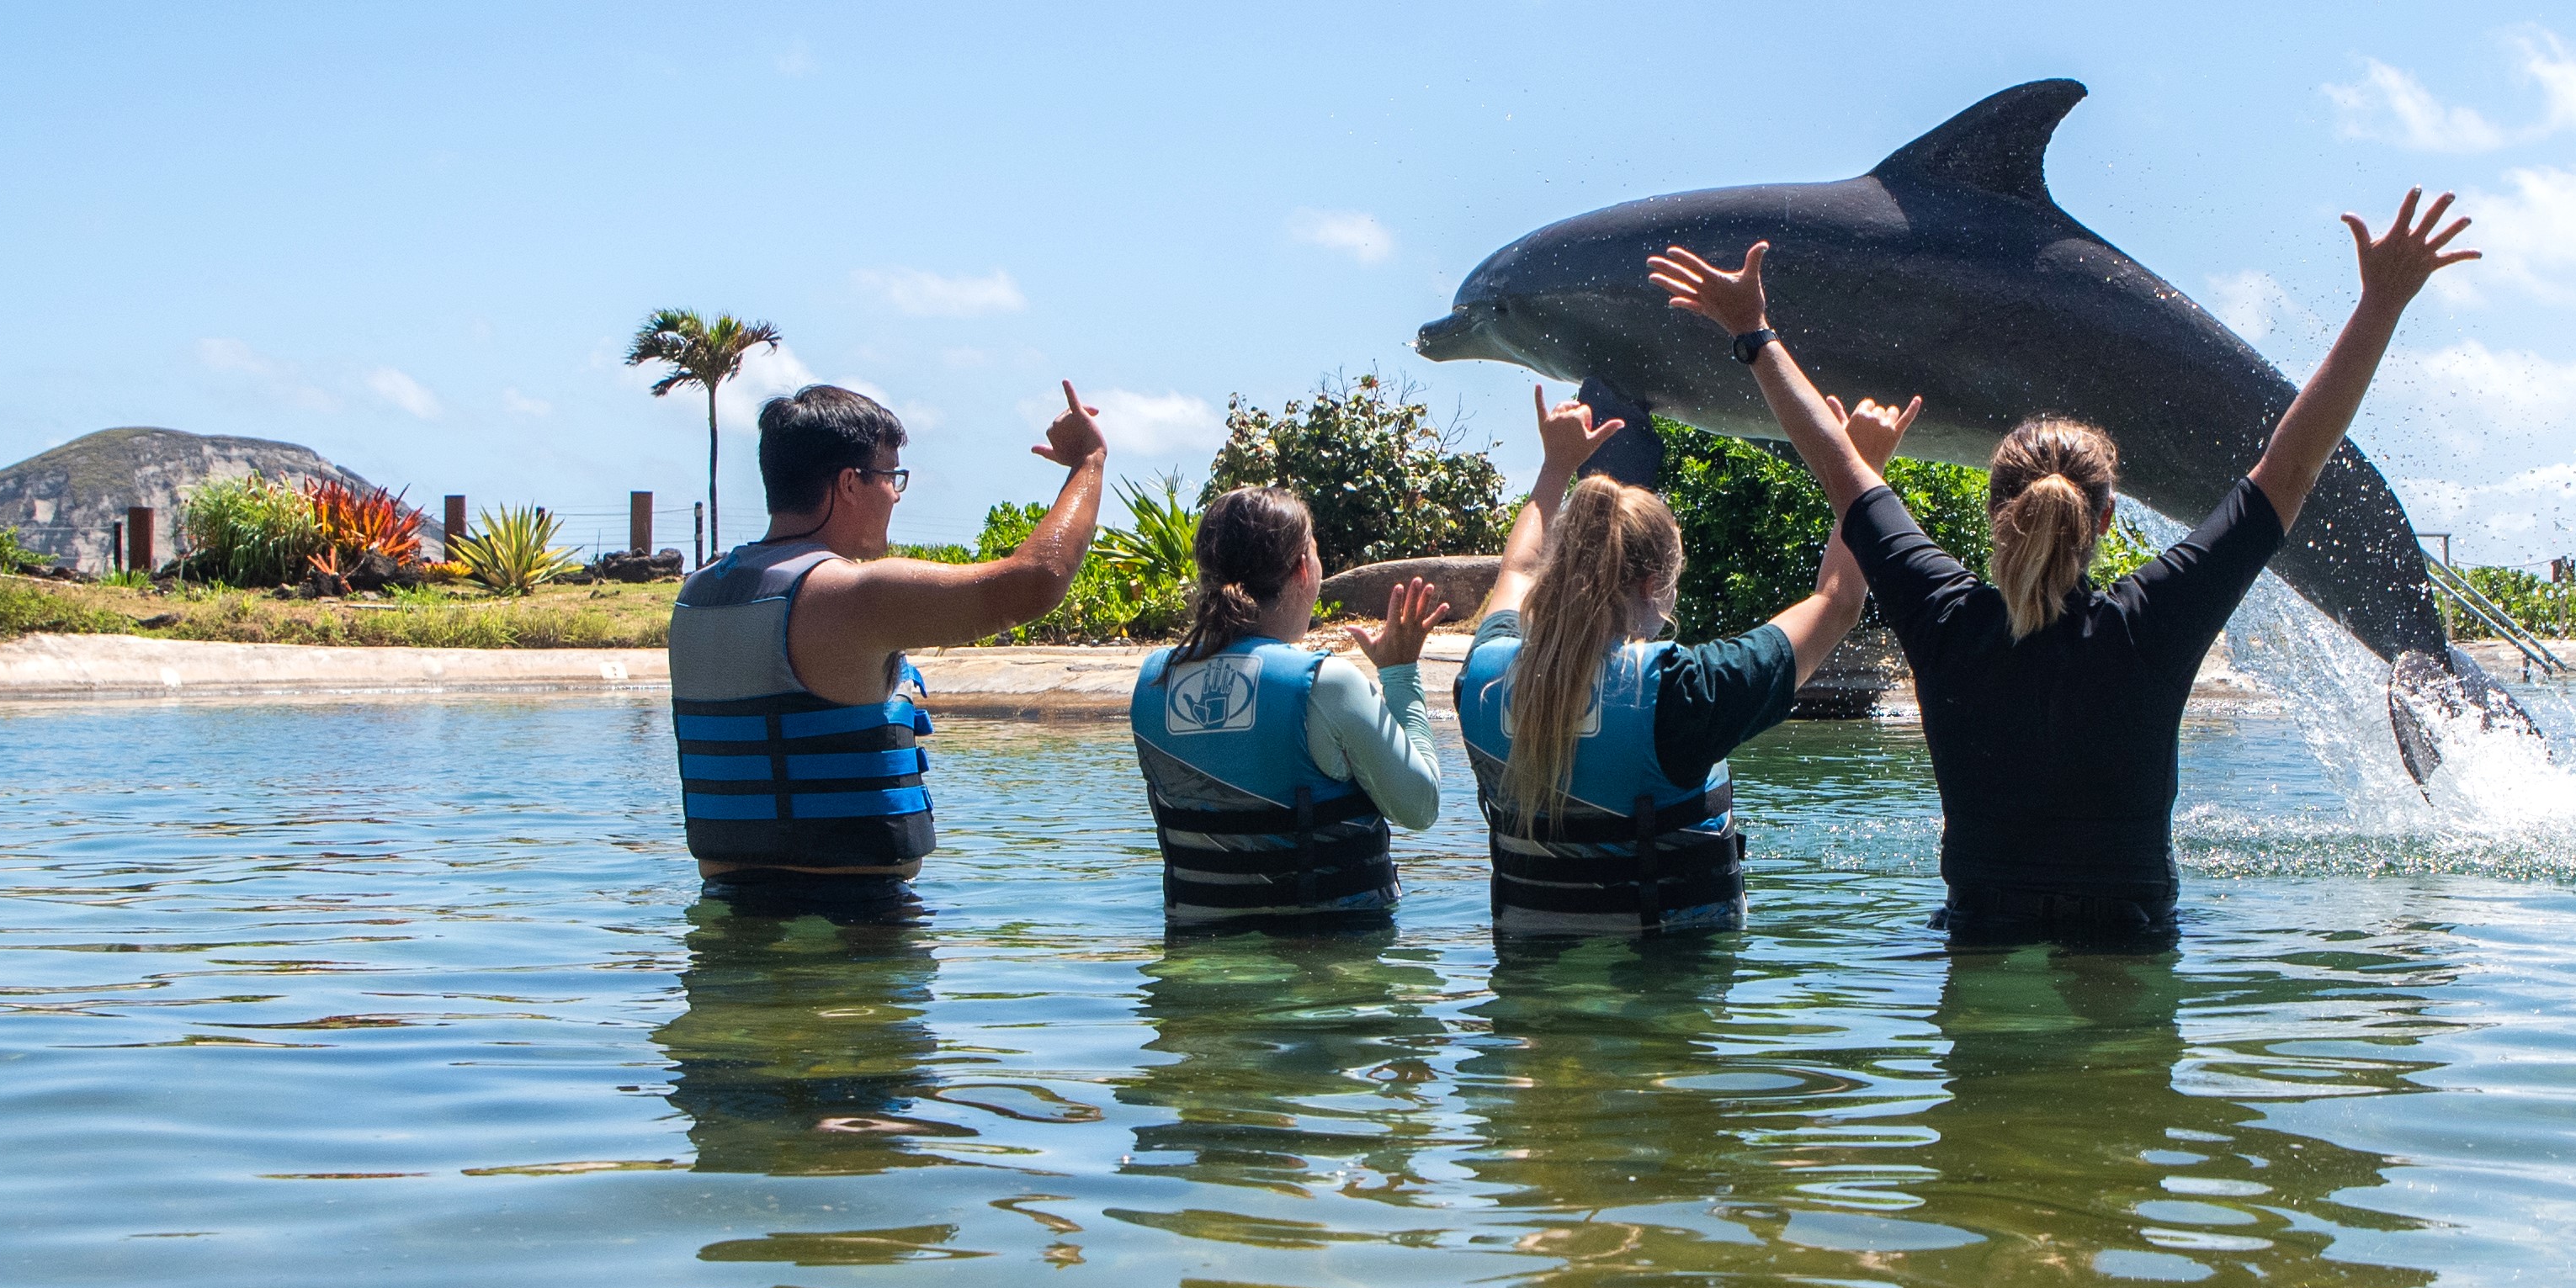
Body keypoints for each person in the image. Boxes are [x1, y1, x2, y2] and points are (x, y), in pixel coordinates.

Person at [1649, 188, 2478, 945]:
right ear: (2105, 518)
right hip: (2129, 945)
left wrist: (1752, 332)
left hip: (1980, 941)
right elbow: (2293, 462)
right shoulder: (2156, 616)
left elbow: (1839, 465)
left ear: (1991, 511)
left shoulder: (1942, 613)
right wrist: (2379, 304)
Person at [1455, 384, 1908, 941]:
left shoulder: (1483, 676)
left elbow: (1517, 570)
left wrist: (1555, 468)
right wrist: (1859, 468)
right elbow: (1837, 603)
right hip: (1666, 1005)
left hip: (1531, 999)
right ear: (1653, 587)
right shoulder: (1686, 691)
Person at [669, 380, 1111, 909]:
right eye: (890, 476)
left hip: (725, 922)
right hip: (855, 923)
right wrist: (1089, 462)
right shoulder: (848, 595)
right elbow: (1033, 581)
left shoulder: (696, 597)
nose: (896, 494)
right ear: (849, 484)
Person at [1127, 487, 1447, 930]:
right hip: (1329, 963)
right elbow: (1421, 806)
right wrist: (1399, 673)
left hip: (1198, 959)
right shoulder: (1328, 684)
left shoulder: (1152, 684)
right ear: (1302, 568)